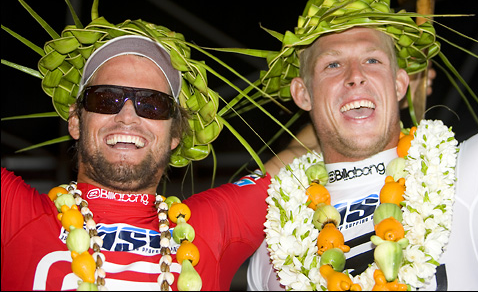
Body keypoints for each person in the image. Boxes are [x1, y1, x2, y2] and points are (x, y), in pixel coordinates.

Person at [246, 0, 478, 291]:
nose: (355, 75)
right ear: (302, 93)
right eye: (333, 64)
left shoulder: (475, 171)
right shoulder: (273, 243)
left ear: (399, 84)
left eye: (373, 61)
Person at [0, 31, 276, 290]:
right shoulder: (14, 213)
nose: (128, 116)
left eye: (153, 104)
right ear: (75, 121)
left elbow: (305, 155)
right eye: (106, 99)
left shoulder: (210, 226)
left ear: (174, 136)